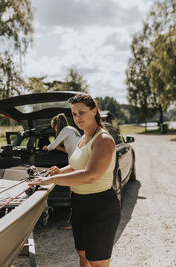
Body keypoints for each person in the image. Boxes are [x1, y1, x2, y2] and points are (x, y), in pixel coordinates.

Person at [30, 93, 120, 267]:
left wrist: (53, 180)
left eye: (82, 112)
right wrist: (59, 170)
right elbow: (76, 165)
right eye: (74, 114)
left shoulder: (103, 139)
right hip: (79, 204)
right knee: (83, 256)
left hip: (101, 206)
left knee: (97, 263)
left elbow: (90, 175)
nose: (78, 117)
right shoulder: (82, 138)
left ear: (94, 111)